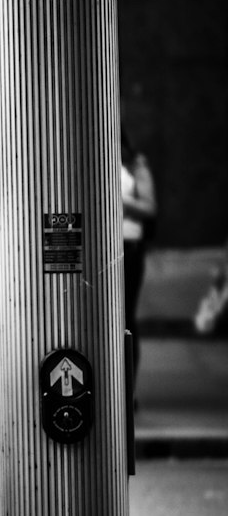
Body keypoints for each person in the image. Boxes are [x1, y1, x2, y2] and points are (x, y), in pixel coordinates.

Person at [121, 127, 157, 397]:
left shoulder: (136, 166)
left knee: (126, 318)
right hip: (101, 251)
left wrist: (116, 200)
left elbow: (149, 207)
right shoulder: (91, 161)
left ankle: (127, 391)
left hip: (129, 247)